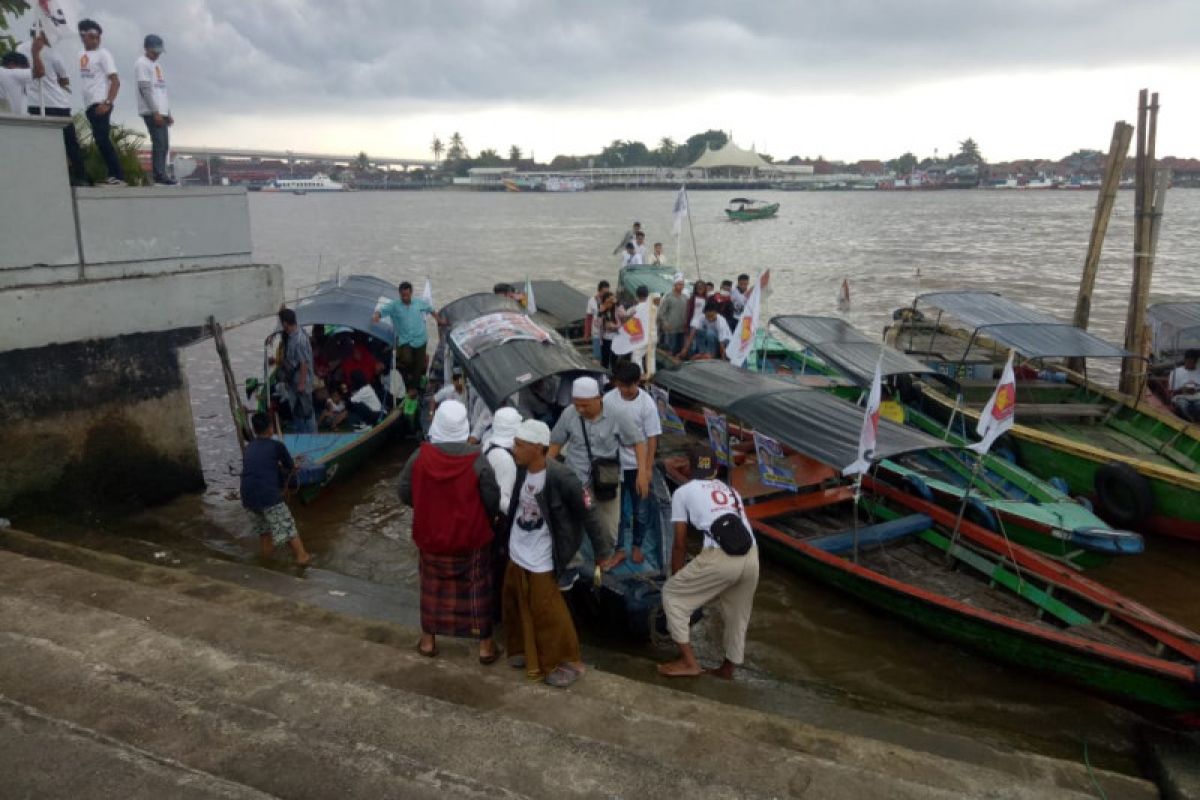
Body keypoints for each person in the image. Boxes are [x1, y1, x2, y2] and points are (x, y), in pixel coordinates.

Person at [503, 419, 612, 687]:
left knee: (547, 610)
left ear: (538, 448)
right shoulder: (521, 469)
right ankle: (522, 651)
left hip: (543, 554)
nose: (513, 449)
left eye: (519, 444)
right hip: (518, 546)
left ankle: (567, 660)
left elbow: (590, 515)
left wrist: (602, 552)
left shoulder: (563, 477)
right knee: (513, 600)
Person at [398, 400, 502, 663]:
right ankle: (485, 646)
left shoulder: (419, 456)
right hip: (471, 536)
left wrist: (425, 506)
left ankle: (428, 641)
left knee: (431, 587)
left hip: (431, 536)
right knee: (477, 588)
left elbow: (404, 491)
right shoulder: (477, 459)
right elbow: (491, 497)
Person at [659, 446, 759, 679]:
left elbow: (680, 543)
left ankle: (689, 662)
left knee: (673, 595)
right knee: (738, 614)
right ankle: (727, 669)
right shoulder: (731, 491)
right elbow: (702, 488)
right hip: (751, 556)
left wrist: (676, 575)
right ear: (715, 468)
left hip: (720, 557)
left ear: (689, 466)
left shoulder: (682, 493)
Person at [549, 376, 648, 572]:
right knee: (569, 524)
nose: (581, 410)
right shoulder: (569, 414)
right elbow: (555, 443)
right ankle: (573, 565)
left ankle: (603, 560)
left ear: (599, 398)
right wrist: (547, 471)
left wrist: (642, 472)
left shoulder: (617, 414)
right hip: (576, 481)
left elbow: (638, 441)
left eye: (585, 405)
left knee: (608, 529)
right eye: (577, 405)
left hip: (606, 481)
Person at [604, 361, 661, 565]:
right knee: (615, 510)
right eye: (621, 386)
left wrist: (645, 470)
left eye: (628, 386)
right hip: (613, 464)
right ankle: (619, 548)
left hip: (636, 465)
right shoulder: (608, 400)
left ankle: (637, 545)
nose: (624, 391)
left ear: (637, 382)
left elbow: (652, 438)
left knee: (641, 510)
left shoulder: (647, 404)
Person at [241, 412, 312, 566]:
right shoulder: (277, 445)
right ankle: (303, 558)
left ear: (254, 430)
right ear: (270, 429)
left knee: (265, 532)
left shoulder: (249, 447)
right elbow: (290, 467)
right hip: (267, 496)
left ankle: (267, 563)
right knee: (289, 529)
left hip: (247, 498)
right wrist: (294, 466)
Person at [18, 32, 87, 185]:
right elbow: (65, 79)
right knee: (70, 144)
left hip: (35, 104)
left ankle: (46, 176)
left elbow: (20, 74)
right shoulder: (52, 52)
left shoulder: (19, 49)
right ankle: (81, 177)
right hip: (58, 104)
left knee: (41, 144)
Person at [76, 19, 125, 186]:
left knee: (103, 139)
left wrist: (108, 102)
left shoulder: (103, 54)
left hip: (100, 103)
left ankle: (117, 175)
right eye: (91, 36)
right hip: (89, 104)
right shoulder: (80, 54)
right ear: (82, 36)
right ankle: (113, 174)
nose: (96, 40)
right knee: (99, 139)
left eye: (98, 37)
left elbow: (115, 81)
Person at [372, 281, 442, 388]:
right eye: (403, 295)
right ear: (400, 294)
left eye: (407, 295)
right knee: (407, 359)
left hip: (420, 338)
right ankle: (412, 370)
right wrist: (376, 316)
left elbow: (430, 309)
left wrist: (439, 320)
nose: (405, 297)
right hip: (405, 340)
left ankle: (414, 386)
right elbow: (381, 311)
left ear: (411, 293)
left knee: (418, 366)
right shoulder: (394, 306)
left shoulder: (418, 302)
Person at [135, 34, 174, 185]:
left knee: (165, 144)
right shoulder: (141, 64)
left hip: (162, 110)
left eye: (158, 51)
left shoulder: (157, 66)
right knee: (158, 142)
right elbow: (145, 90)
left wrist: (167, 112)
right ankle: (159, 174)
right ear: (146, 48)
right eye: (154, 51)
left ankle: (162, 172)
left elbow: (161, 90)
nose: (157, 54)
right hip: (152, 111)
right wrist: (155, 112)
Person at [278, 308, 317, 432]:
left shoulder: (300, 339)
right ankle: (300, 432)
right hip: (292, 380)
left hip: (301, 382)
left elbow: (303, 364)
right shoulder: (290, 335)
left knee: (307, 411)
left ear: (285, 323)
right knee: (296, 409)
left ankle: (312, 435)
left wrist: (301, 384)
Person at [658, 272, 689, 355]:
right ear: (674, 285)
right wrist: (665, 323)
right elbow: (661, 313)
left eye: (682, 284)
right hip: (670, 329)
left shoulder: (685, 297)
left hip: (681, 328)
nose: (680, 286)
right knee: (669, 349)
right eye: (678, 284)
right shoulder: (668, 297)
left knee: (679, 349)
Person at [1169, 349, 1200, 421]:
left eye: (1194, 362)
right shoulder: (1176, 372)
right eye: (1190, 361)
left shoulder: (1199, 372)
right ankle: (1190, 421)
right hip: (1181, 397)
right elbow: (1172, 390)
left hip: (1197, 397)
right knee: (1183, 405)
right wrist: (1182, 389)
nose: (1192, 364)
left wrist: (1196, 389)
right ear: (1185, 360)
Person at [595, 290, 622, 370]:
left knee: (614, 358)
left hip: (616, 337)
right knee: (605, 359)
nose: (609, 304)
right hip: (605, 338)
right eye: (607, 302)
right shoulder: (601, 310)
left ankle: (614, 373)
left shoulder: (616, 309)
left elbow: (625, 315)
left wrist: (618, 303)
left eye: (611, 302)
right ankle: (604, 374)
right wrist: (600, 312)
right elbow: (597, 325)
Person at [0, 50, 32, 115]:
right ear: (12, 65)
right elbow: (39, 72)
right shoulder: (7, 73)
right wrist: (35, 53)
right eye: (24, 68)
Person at [585, 280, 610, 362]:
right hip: (596, 331)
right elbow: (589, 318)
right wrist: (587, 333)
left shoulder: (610, 300)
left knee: (606, 355)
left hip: (608, 332)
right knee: (597, 355)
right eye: (604, 292)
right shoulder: (592, 301)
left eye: (607, 292)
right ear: (599, 290)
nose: (606, 294)